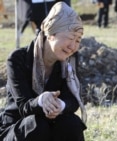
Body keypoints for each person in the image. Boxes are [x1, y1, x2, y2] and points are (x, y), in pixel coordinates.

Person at [0, 1, 87, 141]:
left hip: (52, 124)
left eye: (78, 40)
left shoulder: (71, 59)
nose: (73, 46)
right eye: (70, 38)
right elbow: (23, 106)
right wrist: (41, 101)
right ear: (51, 33)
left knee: (71, 123)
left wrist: (61, 105)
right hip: (19, 126)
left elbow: (72, 99)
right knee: (36, 124)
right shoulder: (18, 59)